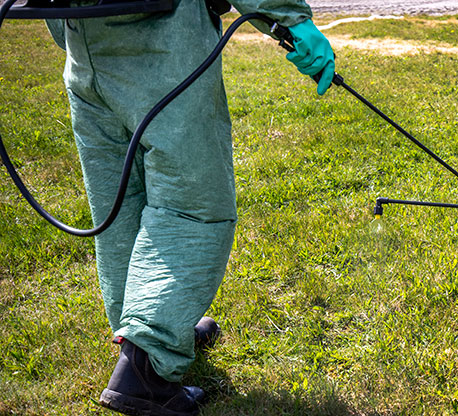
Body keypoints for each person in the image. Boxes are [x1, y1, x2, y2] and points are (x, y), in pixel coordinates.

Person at [44, 0, 334, 414]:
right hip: (163, 44)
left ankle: (151, 328)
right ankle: (146, 364)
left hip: (85, 47)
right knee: (192, 204)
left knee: (122, 202)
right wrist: (289, 17)